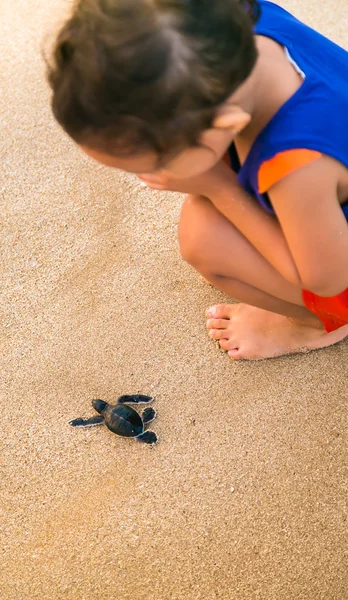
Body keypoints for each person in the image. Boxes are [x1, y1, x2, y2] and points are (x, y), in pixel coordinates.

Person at [47, 0, 348, 360]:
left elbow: (327, 279)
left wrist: (218, 187)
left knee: (202, 236)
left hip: (334, 264)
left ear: (227, 125)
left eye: (161, 163)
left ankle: (320, 323)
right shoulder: (233, 23)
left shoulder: (296, 169)